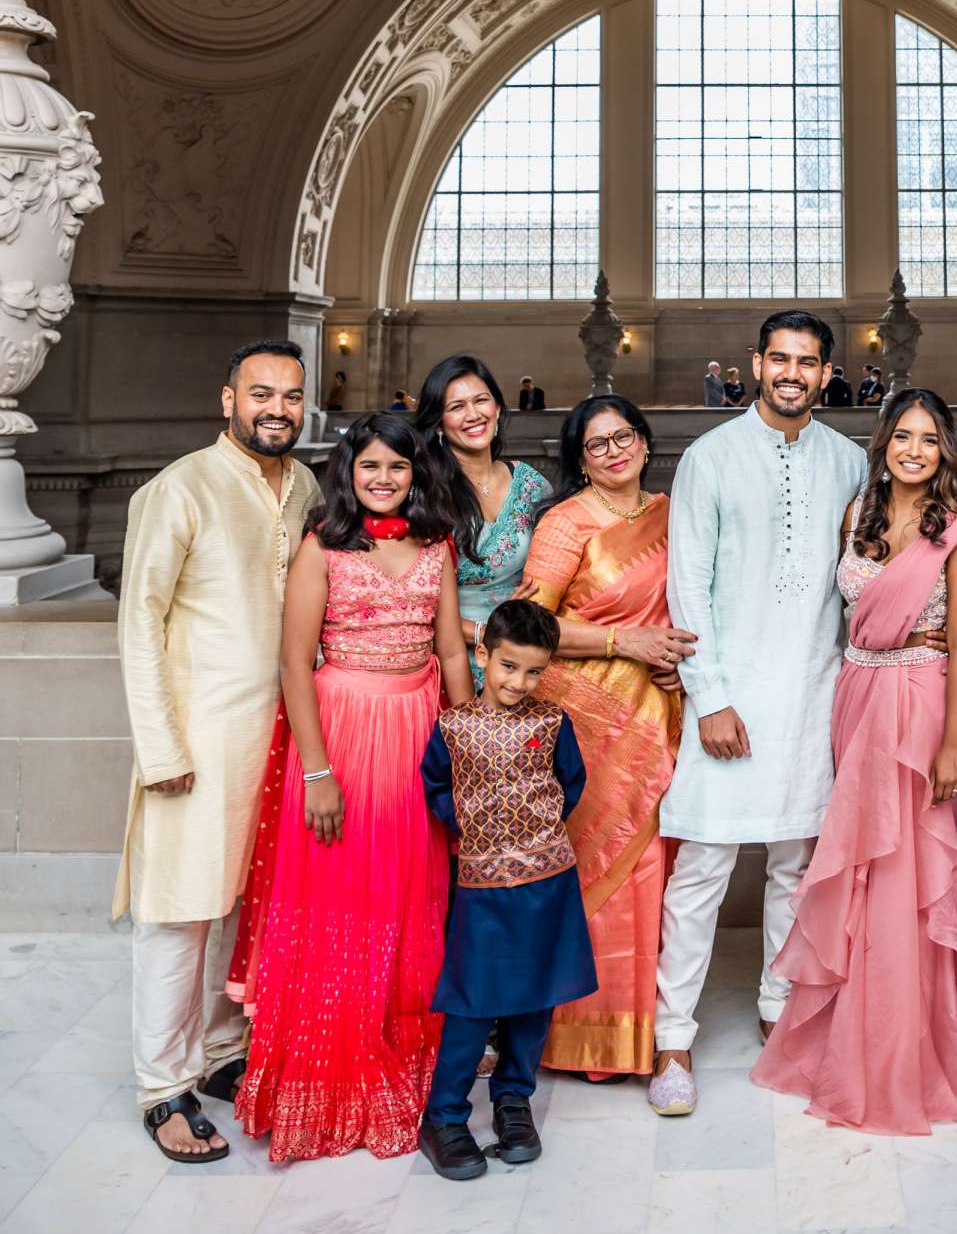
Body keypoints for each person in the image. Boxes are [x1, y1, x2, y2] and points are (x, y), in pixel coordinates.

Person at [229, 412, 472, 1163]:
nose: (383, 479)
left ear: (416, 474)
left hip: (418, 728)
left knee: (413, 893)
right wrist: (318, 772)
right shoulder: (323, 547)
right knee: (346, 896)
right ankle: (331, 1071)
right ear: (349, 473)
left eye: (396, 468)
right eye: (369, 467)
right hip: (344, 731)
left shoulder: (436, 546)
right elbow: (295, 663)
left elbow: (454, 648)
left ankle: (410, 1049)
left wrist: (467, 748)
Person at [753, 391, 957, 1134]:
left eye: (929, 438)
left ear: (945, 449)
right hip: (855, 695)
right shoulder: (855, 515)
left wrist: (954, 743)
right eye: (903, 436)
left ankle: (906, 1049)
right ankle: (850, 1025)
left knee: (908, 871)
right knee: (857, 865)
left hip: (921, 703)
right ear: (883, 441)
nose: (914, 450)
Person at [648, 311, 867, 1118]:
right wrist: (710, 697)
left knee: (795, 868)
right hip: (729, 699)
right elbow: (687, 585)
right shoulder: (710, 457)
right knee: (700, 874)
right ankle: (673, 1039)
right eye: (780, 358)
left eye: (808, 363)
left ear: (826, 374)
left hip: (812, 694)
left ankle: (779, 1014)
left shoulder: (849, 462)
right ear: (754, 364)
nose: (793, 373)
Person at [115, 340, 320, 1162]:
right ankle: (163, 1086)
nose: (278, 408)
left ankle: (223, 1054)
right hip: (197, 741)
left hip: (275, 739)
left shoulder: (302, 485)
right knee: (180, 910)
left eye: (292, 396)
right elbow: (139, 624)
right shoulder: (179, 488)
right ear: (226, 398)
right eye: (261, 392)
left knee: (246, 905)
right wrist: (161, 747)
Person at [520, 396, 694, 1078]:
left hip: (659, 720)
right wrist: (629, 640)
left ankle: (640, 1036)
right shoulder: (566, 524)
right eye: (597, 445)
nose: (615, 451)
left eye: (624, 437)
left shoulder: (673, 515)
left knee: (651, 873)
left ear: (646, 444)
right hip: (585, 725)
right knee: (592, 873)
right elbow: (527, 625)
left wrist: (690, 668)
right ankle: (571, 1036)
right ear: (580, 459)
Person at [416, 599, 597, 1180]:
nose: (519, 682)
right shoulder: (453, 726)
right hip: (483, 887)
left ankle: (513, 1100)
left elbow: (571, 782)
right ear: (483, 655)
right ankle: (444, 1116)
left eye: (534, 671)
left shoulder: (552, 724)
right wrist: (473, 824)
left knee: (534, 997)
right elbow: (434, 784)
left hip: (548, 883)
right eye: (508, 666)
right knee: (473, 1002)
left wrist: (535, 833)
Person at [413, 353, 552, 686]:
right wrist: (484, 633)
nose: (473, 415)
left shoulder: (530, 484)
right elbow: (411, 603)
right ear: (437, 423)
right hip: (452, 664)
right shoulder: (423, 495)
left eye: (481, 401)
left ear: (498, 408)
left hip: (523, 665)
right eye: (457, 407)